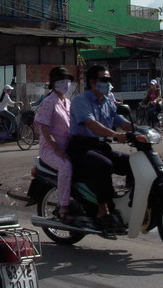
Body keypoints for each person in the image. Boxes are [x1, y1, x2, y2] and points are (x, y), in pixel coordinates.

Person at [68, 65, 133, 233]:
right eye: (104, 80)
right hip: (81, 148)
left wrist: (140, 130)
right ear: (92, 82)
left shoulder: (108, 101)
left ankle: (130, 202)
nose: (108, 83)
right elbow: (92, 125)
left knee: (133, 162)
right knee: (104, 165)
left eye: (109, 80)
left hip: (100, 146)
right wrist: (116, 135)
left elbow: (121, 121)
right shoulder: (81, 101)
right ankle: (103, 210)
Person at [34, 67, 74, 222]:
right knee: (66, 167)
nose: (66, 83)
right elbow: (43, 127)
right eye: (62, 80)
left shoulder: (67, 102)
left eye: (67, 80)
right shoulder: (49, 102)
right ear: (54, 83)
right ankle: (64, 206)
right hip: (50, 149)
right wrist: (56, 148)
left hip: (67, 146)